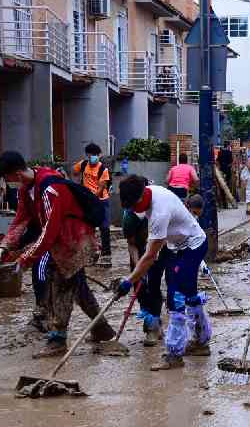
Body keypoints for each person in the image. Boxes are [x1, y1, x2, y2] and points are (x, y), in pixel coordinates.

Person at [0, 151, 115, 358]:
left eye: (7, 178)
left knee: (60, 287)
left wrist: (25, 258)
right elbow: (20, 221)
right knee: (78, 287)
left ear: (16, 175)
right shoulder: (26, 190)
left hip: (74, 241)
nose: (7, 183)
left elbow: (49, 231)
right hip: (61, 242)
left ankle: (58, 339)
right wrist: (5, 245)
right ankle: (102, 328)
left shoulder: (51, 189)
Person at [116, 177, 211, 371]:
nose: (134, 210)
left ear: (142, 195)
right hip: (176, 246)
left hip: (193, 245)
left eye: (135, 206)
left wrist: (129, 281)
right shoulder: (150, 192)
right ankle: (201, 342)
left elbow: (150, 255)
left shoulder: (159, 211)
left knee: (175, 297)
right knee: (189, 295)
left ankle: (175, 355)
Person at [121, 184, 168, 347]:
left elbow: (165, 238)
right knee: (139, 286)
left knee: (153, 285)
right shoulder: (129, 217)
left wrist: (151, 260)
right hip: (140, 251)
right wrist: (137, 266)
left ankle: (152, 328)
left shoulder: (159, 209)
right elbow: (131, 243)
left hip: (159, 247)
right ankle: (153, 321)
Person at [73, 143, 112, 267]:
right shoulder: (83, 164)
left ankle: (106, 255)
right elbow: (74, 172)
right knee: (88, 228)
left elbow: (101, 188)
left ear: (99, 155)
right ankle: (92, 252)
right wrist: (77, 187)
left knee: (104, 227)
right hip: (87, 200)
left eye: (94, 155)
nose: (92, 157)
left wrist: (91, 197)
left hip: (100, 200)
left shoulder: (103, 169)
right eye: (89, 155)